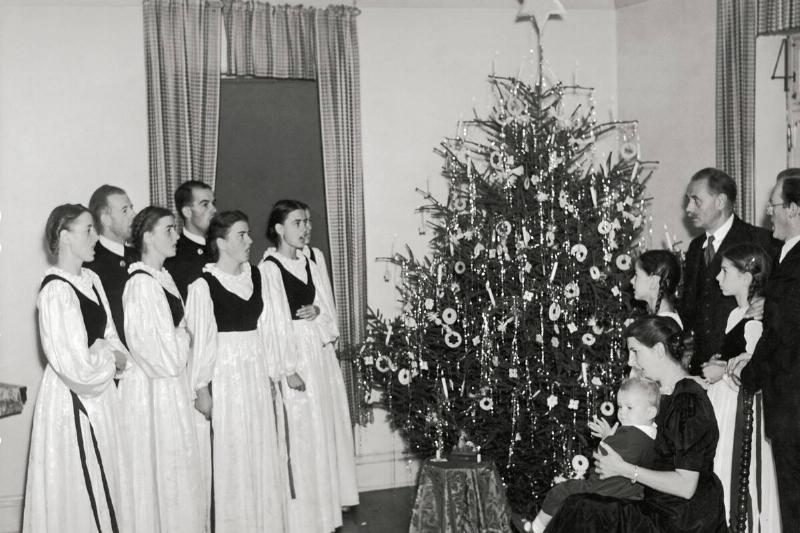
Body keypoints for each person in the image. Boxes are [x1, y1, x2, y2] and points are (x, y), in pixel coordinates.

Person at [546, 315, 726, 533]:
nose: (631, 361)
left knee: (583, 508)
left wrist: (623, 468)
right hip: (658, 507)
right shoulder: (664, 396)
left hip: (681, 519)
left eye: (635, 351)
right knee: (580, 505)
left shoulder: (687, 401)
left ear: (659, 350)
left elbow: (686, 486)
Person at [24, 204, 129, 533]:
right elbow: (75, 368)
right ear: (64, 236)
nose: (96, 236)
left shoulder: (92, 280)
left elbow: (111, 337)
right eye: (88, 230)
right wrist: (107, 357)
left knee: (107, 477)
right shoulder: (56, 291)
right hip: (73, 402)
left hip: (103, 398)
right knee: (81, 483)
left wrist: (107, 353)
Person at [260, 200, 359, 533]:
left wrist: (318, 313)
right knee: (302, 432)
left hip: (318, 355)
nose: (305, 229)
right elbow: (272, 323)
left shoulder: (313, 259)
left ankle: (326, 509)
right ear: (279, 228)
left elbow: (327, 309)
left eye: (307, 222)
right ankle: (302, 517)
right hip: (295, 357)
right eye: (297, 222)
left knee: (324, 427)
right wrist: (287, 368)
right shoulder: (269, 269)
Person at [185, 210, 287, 533]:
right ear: (221, 243)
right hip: (225, 376)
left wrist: (274, 373)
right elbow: (201, 341)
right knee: (232, 453)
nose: (250, 240)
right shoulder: (203, 286)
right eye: (241, 235)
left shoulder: (258, 277)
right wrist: (201, 387)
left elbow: (270, 329)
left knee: (260, 447)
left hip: (255, 372)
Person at [120, 206, 205, 533]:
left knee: (176, 466)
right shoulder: (141, 284)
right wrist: (186, 335)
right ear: (147, 237)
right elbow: (163, 357)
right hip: (153, 392)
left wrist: (182, 336)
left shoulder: (163, 277)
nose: (176, 236)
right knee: (158, 466)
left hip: (170, 387)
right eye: (169, 229)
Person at [731, 169, 800, 531]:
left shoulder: (795, 265)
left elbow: (782, 336)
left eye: (774, 205)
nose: (768, 213)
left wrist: (749, 372)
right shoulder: (786, 257)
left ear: (794, 209)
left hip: (793, 406)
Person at [701, 243, 780, 531]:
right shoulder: (736, 314)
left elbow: (754, 371)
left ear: (746, 276)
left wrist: (722, 371)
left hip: (742, 410)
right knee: (722, 469)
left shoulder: (758, 320)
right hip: (725, 405)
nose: (718, 278)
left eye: (724, 271)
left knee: (740, 473)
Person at [530, 377, 660, 533]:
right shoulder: (653, 435)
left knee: (561, 491)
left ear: (650, 412)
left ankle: (538, 526)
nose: (622, 413)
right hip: (630, 494)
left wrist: (606, 438)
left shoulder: (630, 433)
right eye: (620, 407)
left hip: (602, 488)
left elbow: (603, 458)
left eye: (629, 408)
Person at [680, 167, 775, 374]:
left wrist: (769, 303)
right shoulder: (696, 248)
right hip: (702, 369)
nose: (688, 208)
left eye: (696, 200)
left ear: (720, 201)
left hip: (739, 368)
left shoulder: (761, 241)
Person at [85, 184, 137, 347]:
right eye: (124, 210)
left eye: (131, 208)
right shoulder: (90, 264)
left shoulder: (141, 256)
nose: (134, 215)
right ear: (105, 219)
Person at [165, 180, 216, 300]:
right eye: (205, 204)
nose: (214, 210)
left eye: (213, 203)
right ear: (187, 212)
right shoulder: (174, 255)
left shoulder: (221, 248)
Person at [631, 250, 683, 328]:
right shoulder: (662, 320)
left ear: (654, 282)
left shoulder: (663, 326)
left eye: (636, 275)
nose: (631, 281)